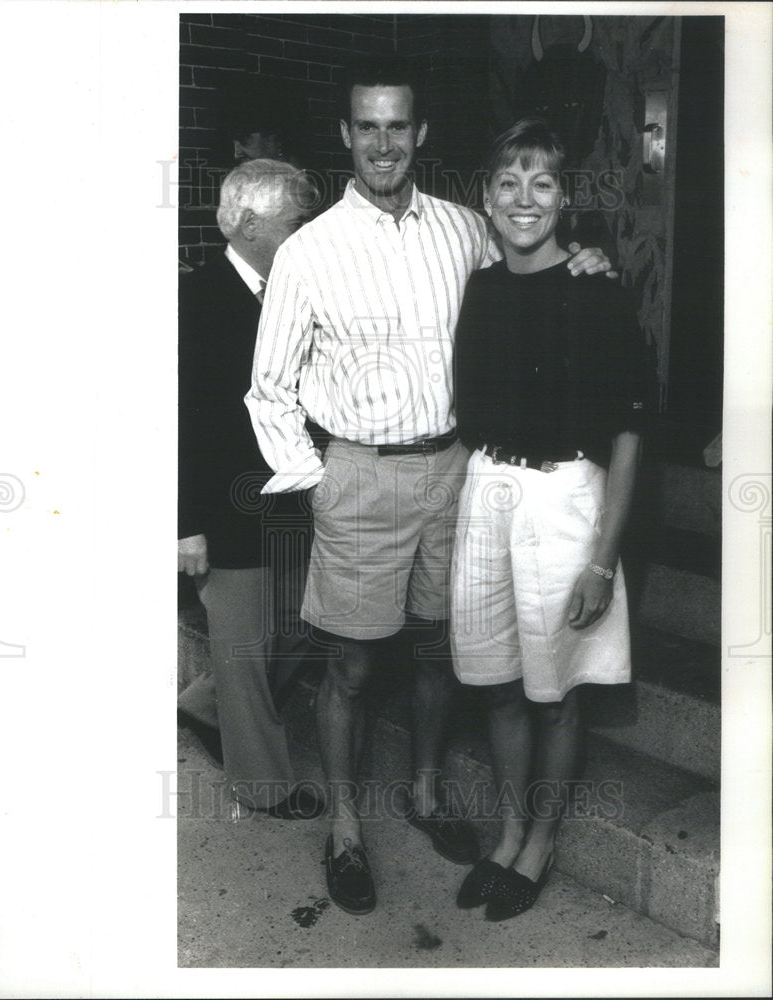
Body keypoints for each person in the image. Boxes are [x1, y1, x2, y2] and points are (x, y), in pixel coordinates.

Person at [245, 58, 614, 915]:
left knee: (439, 651)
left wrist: (585, 257)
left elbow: (531, 260)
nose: (383, 143)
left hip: (459, 470)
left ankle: (421, 791)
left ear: (420, 134)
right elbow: (269, 386)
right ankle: (343, 828)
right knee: (346, 665)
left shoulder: (461, 229)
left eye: (396, 126)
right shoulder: (308, 251)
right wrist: (320, 479)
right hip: (360, 476)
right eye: (366, 126)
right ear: (346, 136)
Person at [450, 117, 649, 920]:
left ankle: (540, 843)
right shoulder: (482, 285)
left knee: (555, 692)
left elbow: (629, 435)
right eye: (507, 183)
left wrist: (601, 561)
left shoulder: (597, 290)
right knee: (496, 684)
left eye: (540, 183)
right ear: (488, 200)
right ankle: (507, 833)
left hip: (565, 496)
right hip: (486, 488)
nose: (523, 199)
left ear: (563, 199)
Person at [178, 158, 323, 820]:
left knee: (299, 629)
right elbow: (174, 423)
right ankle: (263, 786)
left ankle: (205, 705)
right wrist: (183, 524)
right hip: (222, 512)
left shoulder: (294, 292)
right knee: (242, 650)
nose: (308, 233)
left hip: (291, 503)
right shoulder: (193, 299)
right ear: (247, 223)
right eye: (298, 222)